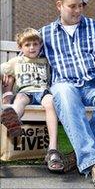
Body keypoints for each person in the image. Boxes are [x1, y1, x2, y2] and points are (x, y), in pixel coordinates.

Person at [39, 0, 95, 188]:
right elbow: (28, 58)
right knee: (66, 96)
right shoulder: (45, 33)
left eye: (81, 6)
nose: (78, 10)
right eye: (72, 6)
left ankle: (79, 157)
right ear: (59, 5)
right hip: (65, 85)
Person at [0, 28, 64, 172]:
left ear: (40, 45)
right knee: (20, 100)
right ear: (20, 47)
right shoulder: (16, 61)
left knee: (50, 102)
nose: (32, 48)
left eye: (35, 44)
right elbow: (2, 70)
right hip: (25, 92)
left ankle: (52, 150)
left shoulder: (45, 61)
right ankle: (12, 118)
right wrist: (5, 85)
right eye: (27, 45)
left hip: (43, 92)